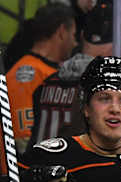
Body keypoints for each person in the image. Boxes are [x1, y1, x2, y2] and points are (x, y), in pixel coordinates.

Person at [27, 1, 121, 149]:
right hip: (75, 170)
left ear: (81, 36)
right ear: (118, 45)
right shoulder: (104, 93)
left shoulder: (47, 83)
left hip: (38, 167)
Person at [6, 3, 77, 154]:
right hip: (26, 172)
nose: (75, 42)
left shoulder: (52, 71)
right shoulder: (25, 75)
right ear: (62, 32)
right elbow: (23, 141)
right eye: (73, 35)